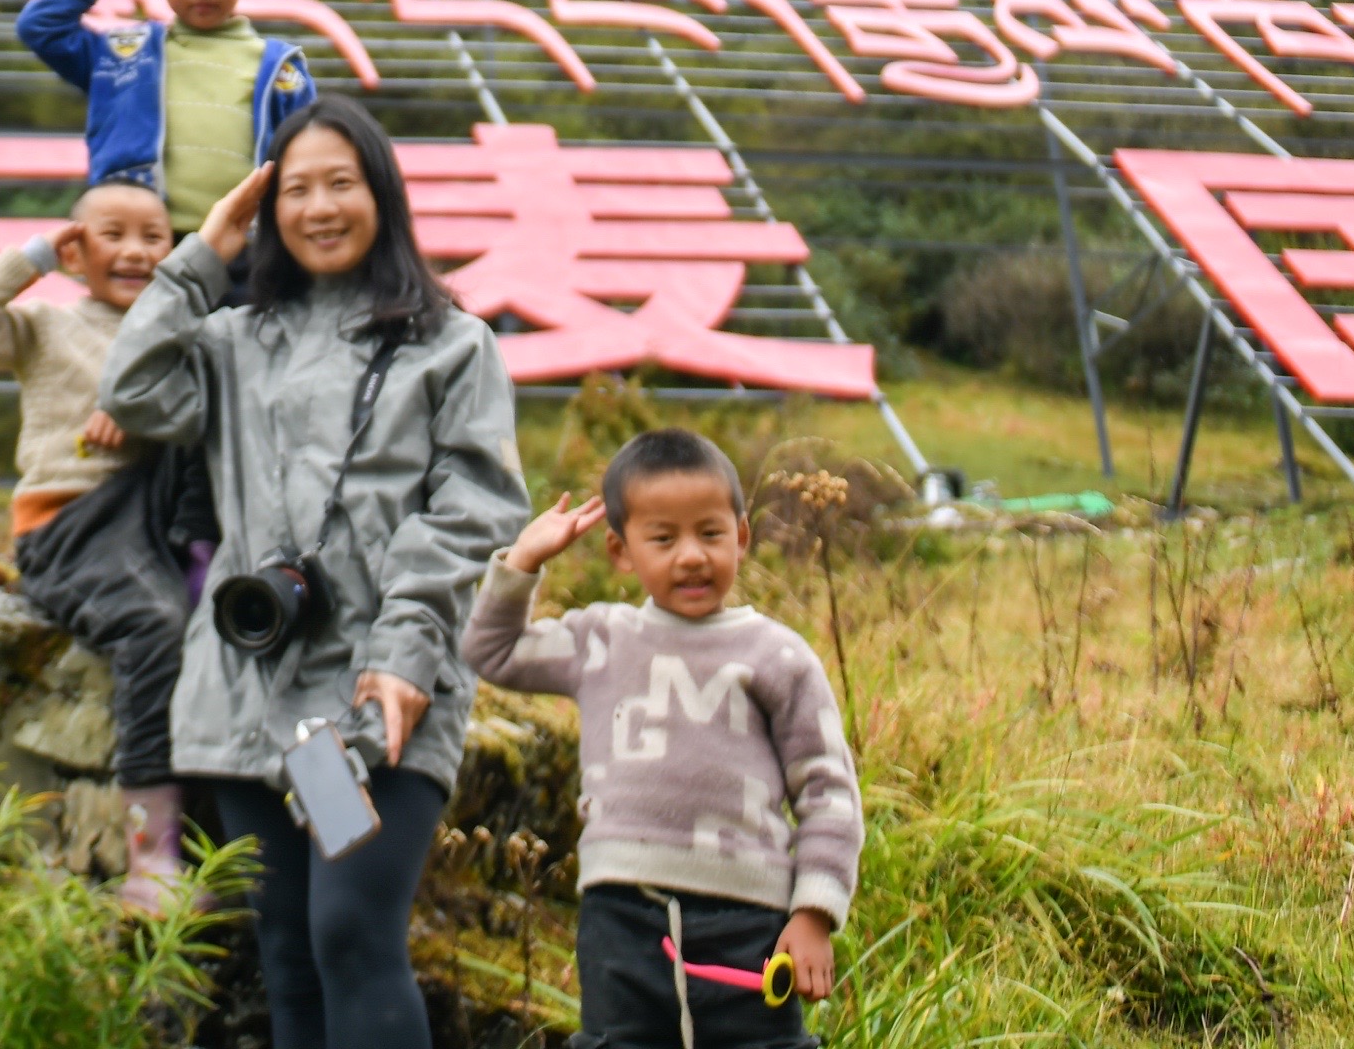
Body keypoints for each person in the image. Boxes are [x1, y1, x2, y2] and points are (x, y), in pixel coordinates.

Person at [97, 95, 528, 1049]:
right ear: (266, 206)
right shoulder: (233, 342)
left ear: (383, 195)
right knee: (287, 946)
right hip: (251, 692)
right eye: (295, 189)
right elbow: (126, 388)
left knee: (351, 929)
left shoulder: (452, 346)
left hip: (374, 700)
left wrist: (408, 652)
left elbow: (475, 512)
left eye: (343, 183)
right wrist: (202, 253)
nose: (321, 207)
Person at [459, 429, 862, 1049]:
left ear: (742, 537)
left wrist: (813, 914)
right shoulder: (602, 640)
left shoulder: (778, 656)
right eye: (663, 539)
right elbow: (493, 651)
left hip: (749, 919)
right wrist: (523, 562)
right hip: (622, 914)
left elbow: (829, 791)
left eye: (710, 533)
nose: (692, 556)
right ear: (621, 552)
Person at [0, 177, 199, 908]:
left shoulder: (180, 335)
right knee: (155, 628)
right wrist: (36, 255)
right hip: (71, 521)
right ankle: (151, 854)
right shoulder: (47, 326)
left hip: (154, 519)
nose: (137, 251)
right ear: (78, 252)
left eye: (155, 237)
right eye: (112, 234)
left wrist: (146, 410)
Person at [14, 0, 319, 234]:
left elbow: (309, 159)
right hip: (141, 249)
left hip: (244, 253)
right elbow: (40, 27)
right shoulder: (121, 55)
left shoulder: (281, 69)